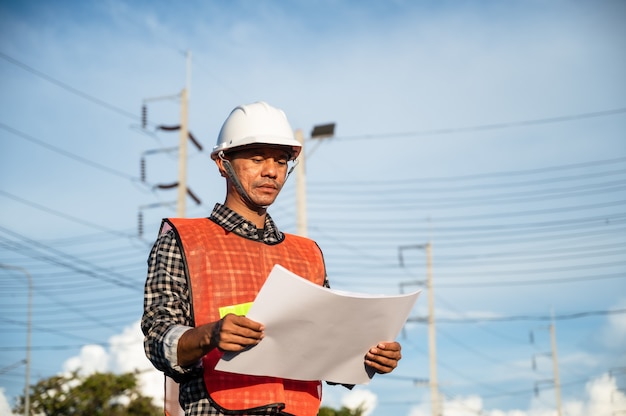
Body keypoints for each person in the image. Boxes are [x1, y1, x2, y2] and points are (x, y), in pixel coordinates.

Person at [141, 101, 402, 416]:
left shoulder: (307, 254)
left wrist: (368, 358)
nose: (271, 171)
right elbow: (158, 338)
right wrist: (211, 334)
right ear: (222, 163)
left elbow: (324, 349)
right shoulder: (184, 241)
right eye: (256, 158)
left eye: (281, 161)